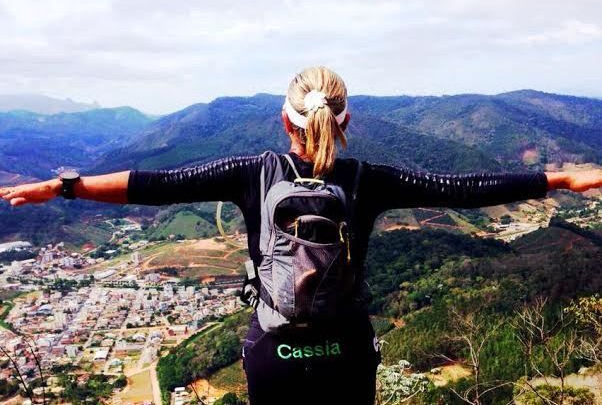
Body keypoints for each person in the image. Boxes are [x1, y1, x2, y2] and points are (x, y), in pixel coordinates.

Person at [1, 66, 601, 405]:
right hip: (346, 348)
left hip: (274, 350)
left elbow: (153, 183)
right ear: (347, 123)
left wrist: (66, 186)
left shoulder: (252, 172)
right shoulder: (370, 178)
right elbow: (461, 187)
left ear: (284, 119)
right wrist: (561, 179)